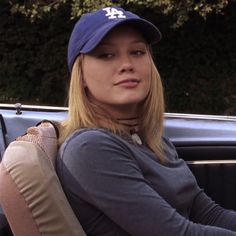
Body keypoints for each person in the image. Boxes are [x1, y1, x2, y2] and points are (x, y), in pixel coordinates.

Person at [57, 6, 236, 236]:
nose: (127, 64)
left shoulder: (152, 139)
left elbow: (208, 213)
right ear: (80, 77)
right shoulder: (89, 148)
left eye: (137, 52)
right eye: (106, 54)